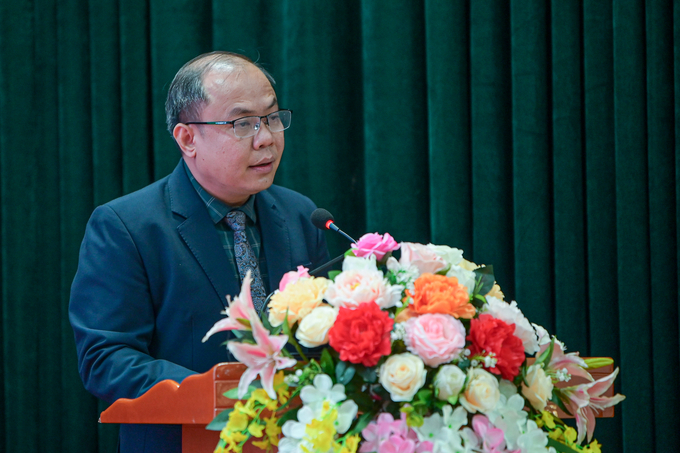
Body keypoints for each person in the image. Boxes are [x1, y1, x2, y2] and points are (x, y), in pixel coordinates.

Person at [69, 51, 330, 453]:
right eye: (243, 123)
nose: (266, 138)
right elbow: (106, 358)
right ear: (187, 138)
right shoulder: (127, 227)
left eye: (273, 118)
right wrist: (223, 392)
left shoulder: (299, 214)